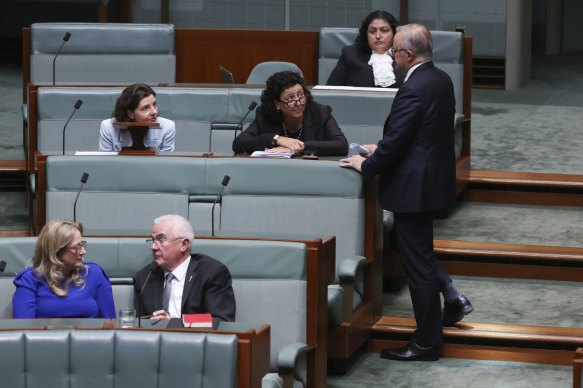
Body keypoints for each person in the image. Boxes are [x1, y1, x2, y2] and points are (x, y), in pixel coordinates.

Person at [340, 23, 473, 361]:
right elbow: (421, 134)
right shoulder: (440, 79)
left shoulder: (413, 87)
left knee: (418, 268)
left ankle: (427, 342)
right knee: (419, 255)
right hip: (430, 182)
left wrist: (366, 164)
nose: (392, 57)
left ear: (409, 54)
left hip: (413, 188)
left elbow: (400, 140)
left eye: (395, 52)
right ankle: (447, 303)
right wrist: (381, 146)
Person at [134, 214, 236, 322]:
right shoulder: (145, 277)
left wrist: (175, 324)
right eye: (153, 240)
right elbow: (140, 323)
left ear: (184, 244)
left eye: (161, 239)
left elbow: (220, 320)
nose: (153, 247)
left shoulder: (211, 273)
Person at [12, 220, 116, 319]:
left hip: (89, 336)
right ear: (56, 251)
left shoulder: (94, 274)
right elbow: (23, 329)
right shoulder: (29, 279)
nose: (83, 251)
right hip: (44, 337)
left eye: (82, 244)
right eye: (77, 247)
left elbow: (110, 324)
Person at [232, 71, 348, 157]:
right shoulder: (264, 115)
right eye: (290, 98)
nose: (298, 103)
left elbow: (341, 145)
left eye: (301, 95)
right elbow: (239, 144)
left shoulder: (320, 113)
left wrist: (299, 147)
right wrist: (275, 138)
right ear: (277, 104)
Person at [326, 10, 404, 88]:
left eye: (384, 30)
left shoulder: (405, 56)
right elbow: (330, 90)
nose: (378, 36)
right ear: (366, 35)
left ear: (394, 33)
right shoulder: (350, 55)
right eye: (372, 31)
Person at [99, 83, 175, 152]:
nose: (154, 112)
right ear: (130, 113)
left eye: (154, 104)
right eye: (145, 108)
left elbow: (166, 164)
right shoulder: (108, 127)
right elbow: (105, 163)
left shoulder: (167, 127)